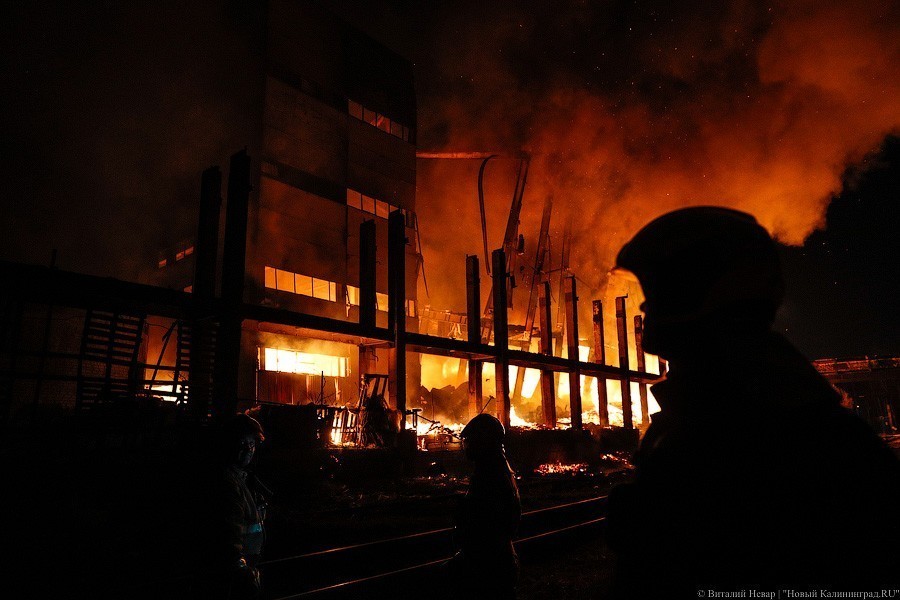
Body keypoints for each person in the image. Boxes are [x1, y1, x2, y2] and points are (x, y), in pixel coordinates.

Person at [607, 207, 900, 597]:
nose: (646, 311)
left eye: (659, 292)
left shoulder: (751, 438)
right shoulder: (777, 418)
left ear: (699, 295)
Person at [445, 414, 521, 600]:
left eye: (470, 441)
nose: (466, 446)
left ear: (483, 442)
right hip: (497, 560)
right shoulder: (497, 469)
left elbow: (485, 522)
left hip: (488, 564)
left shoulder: (490, 475)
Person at [195, 413, 269, 599]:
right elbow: (227, 534)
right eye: (243, 444)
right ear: (229, 444)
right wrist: (242, 572)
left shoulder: (239, 478)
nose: (248, 449)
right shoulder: (228, 483)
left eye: (251, 444)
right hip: (231, 579)